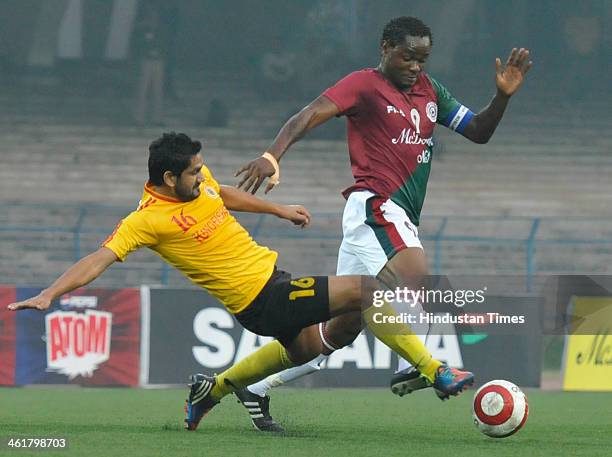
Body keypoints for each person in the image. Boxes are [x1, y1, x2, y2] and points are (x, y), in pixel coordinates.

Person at [7, 132, 474, 433]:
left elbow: (221, 194)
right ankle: (436, 370)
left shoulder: (197, 180)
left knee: (312, 347)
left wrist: (278, 208)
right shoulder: (145, 221)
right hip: (262, 298)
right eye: (193, 171)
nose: (201, 174)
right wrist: (51, 293)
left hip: (272, 282)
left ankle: (214, 388)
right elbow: (98, 258)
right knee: (367, 291)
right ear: (169, 178)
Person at [235, 16, 532, 429]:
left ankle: (252, 388)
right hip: (375, 206)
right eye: (408, 57)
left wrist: (501, 97)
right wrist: (272, 155)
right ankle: (425, 365)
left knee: (332, 337)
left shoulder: (432, 92)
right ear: (385, 49)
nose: (415, 67)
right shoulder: (363, 85)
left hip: (396, 217)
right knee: (418, 277)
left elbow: (479, 131)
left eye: (423, 59)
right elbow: (308, 114)